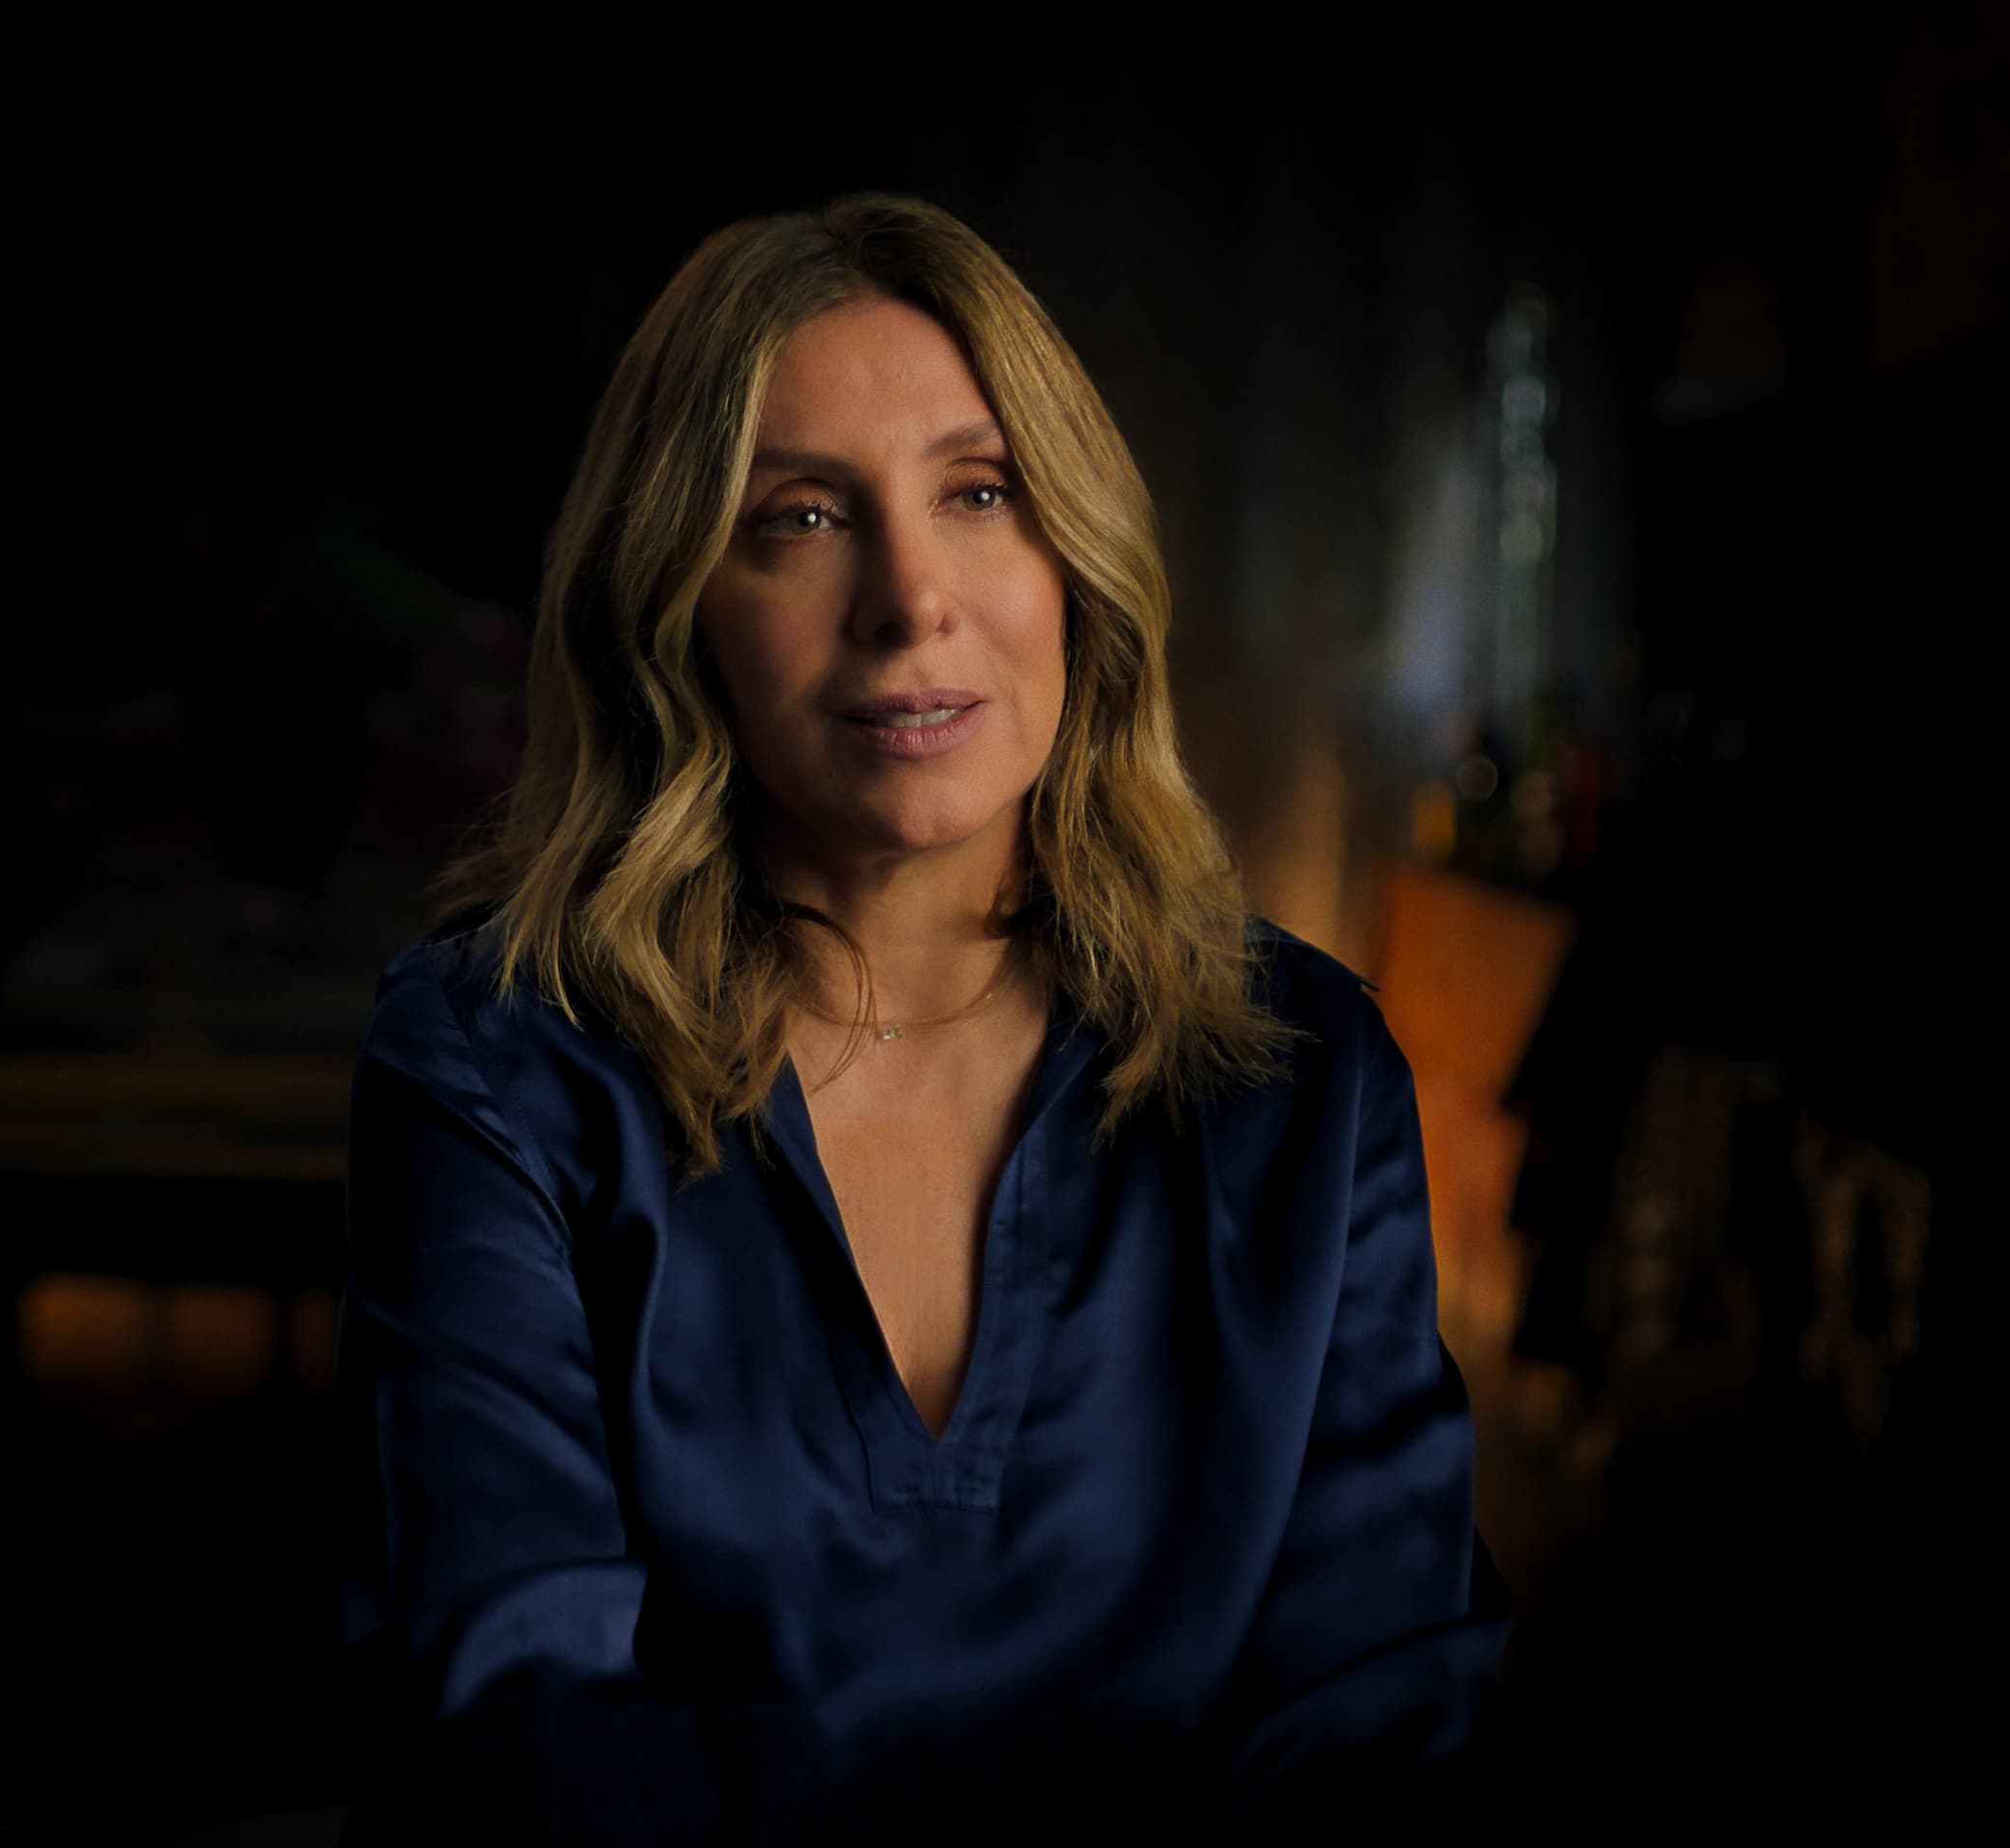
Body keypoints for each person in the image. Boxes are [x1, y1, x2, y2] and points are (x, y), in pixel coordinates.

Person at [330, 194, 1512, 1843]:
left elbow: (1378, 1722)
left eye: (978, 493)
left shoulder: (1299, 1076)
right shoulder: (496, 1067)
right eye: (801, 518)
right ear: (670, 604)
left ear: (1073, 556)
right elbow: (522, 1734)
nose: (910, 599)